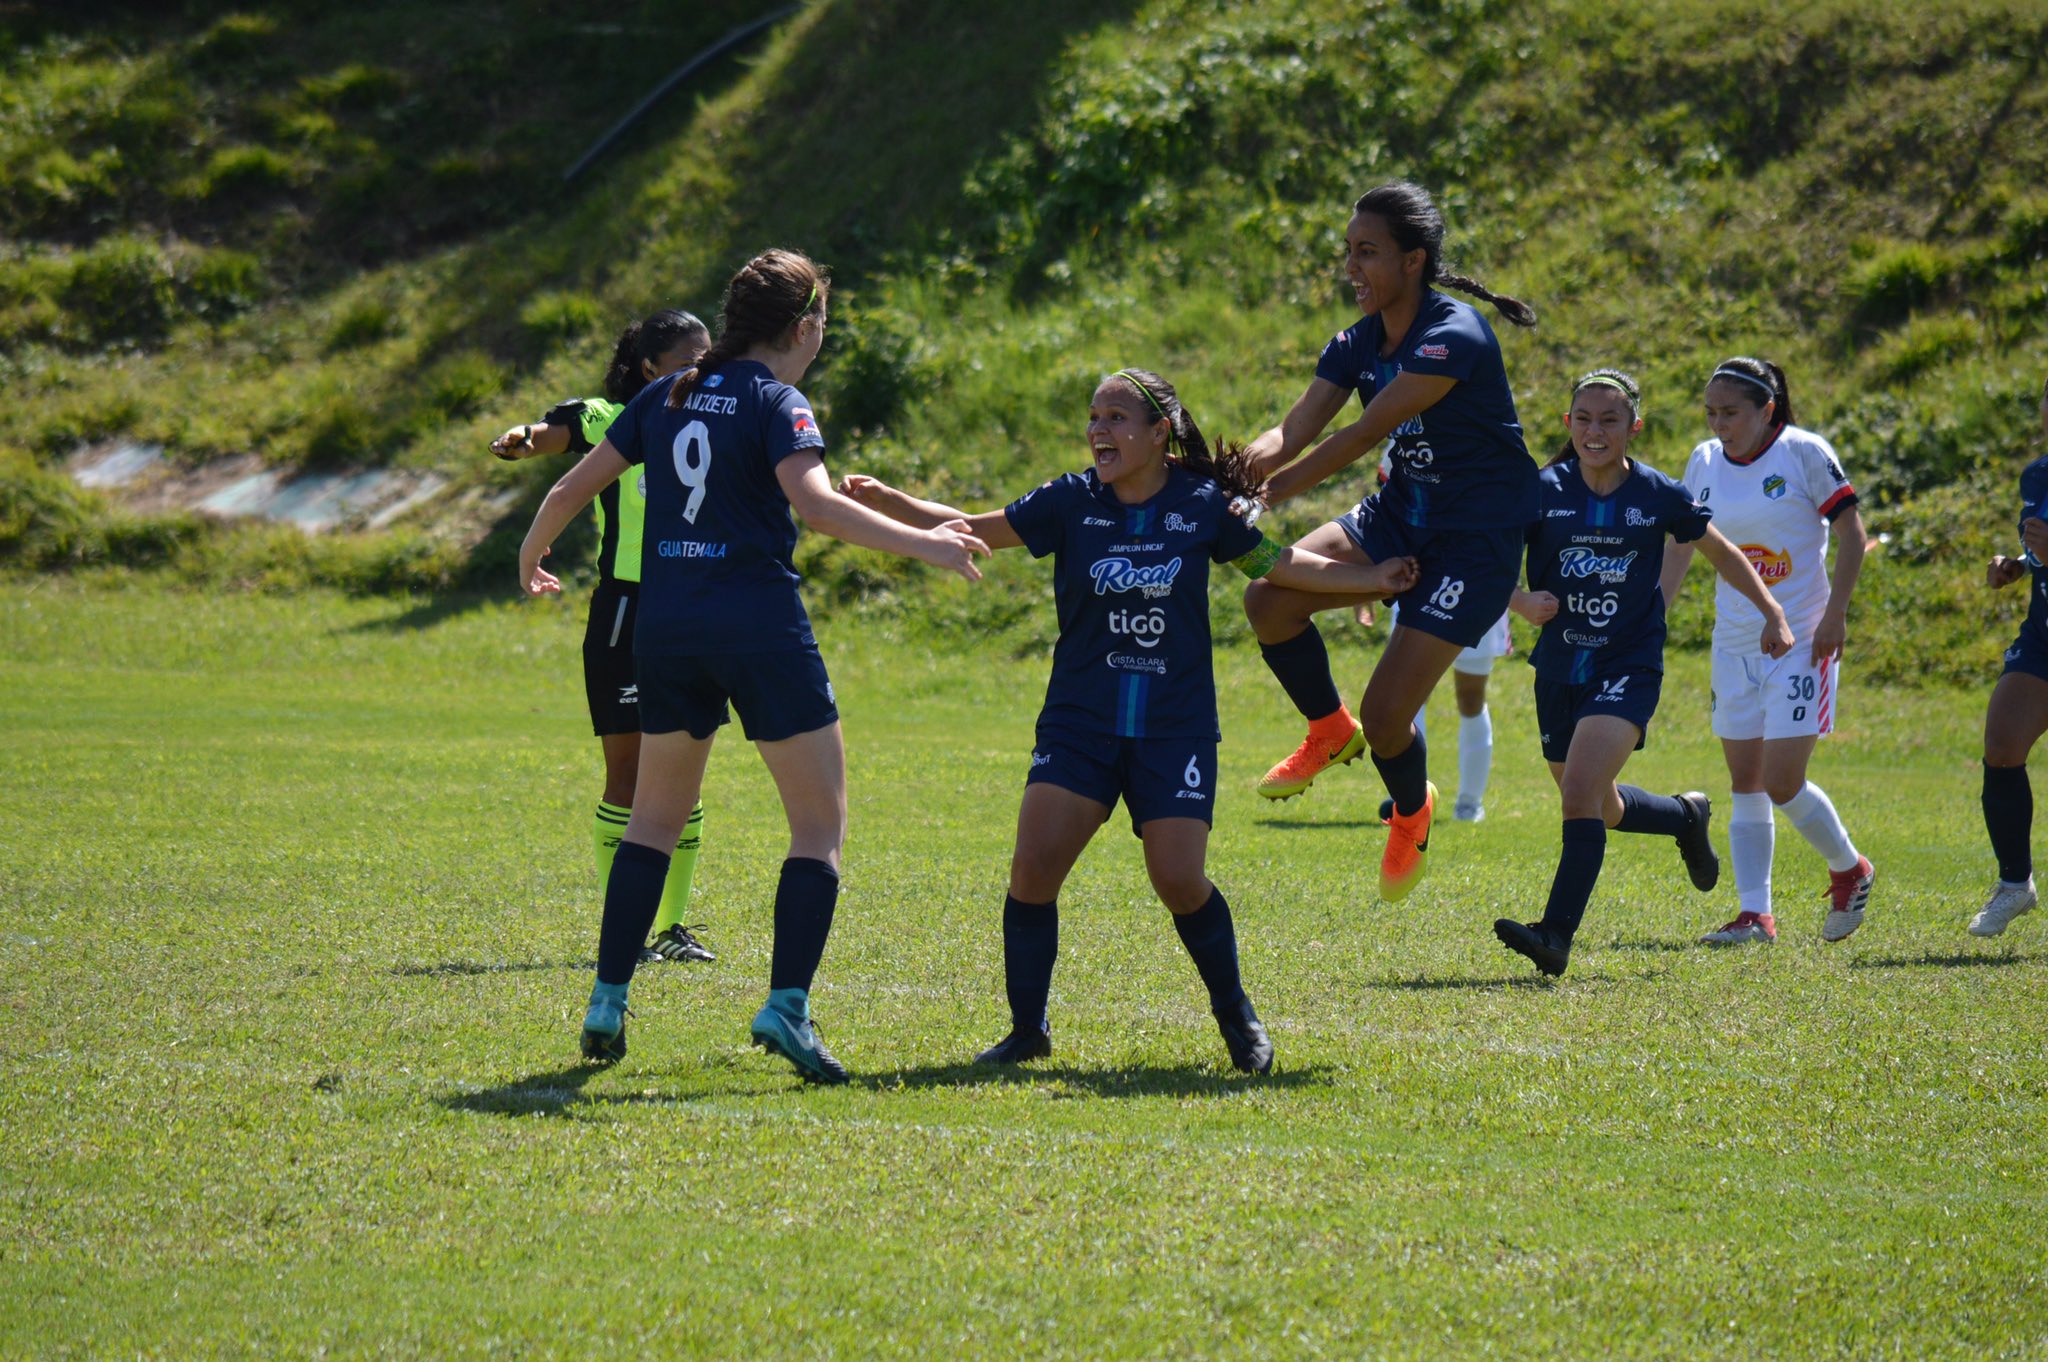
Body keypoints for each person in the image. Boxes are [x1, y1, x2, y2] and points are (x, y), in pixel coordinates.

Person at [841, 368, 1417, 1072]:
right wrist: (891, 502)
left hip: (1173, 727)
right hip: (1080, 723)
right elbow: (974, 527)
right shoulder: (1069, 500)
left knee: (1178, 880)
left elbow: (1279, 562)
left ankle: (1238, 1019)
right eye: (1093, 417)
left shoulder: (1202, 505)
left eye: (1116, 417)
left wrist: (1370, 578)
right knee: (1032, 872)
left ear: (1158, 434)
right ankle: (1028, 1032)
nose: (1098, 431)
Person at [515, 249, 989, 1081]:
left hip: (665, 627)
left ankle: (606, 997)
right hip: (759, 628)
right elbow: (815, 504)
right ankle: (787, 1008)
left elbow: (573, 486)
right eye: (823, 327)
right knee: (818, 825)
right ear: (803, 326)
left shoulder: (669, 392)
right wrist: (928, 543)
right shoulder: (779, 399)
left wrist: (532, 552)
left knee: (653, 821)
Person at [1239, 180, 1538, 901]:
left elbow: (1363, 432)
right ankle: (1326, 730)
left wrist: (1267, 495)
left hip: (1475, 542)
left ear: (1414, 260)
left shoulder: (1455, 333)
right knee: (1269, 601)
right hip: (1400, 512)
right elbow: (1293, 430)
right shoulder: (1356, 341)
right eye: (1348, 251)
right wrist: (1230, 472)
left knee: (1388, 717)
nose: (1352, 268)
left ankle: (1412, 812)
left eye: (1367, 253)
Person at [1493, 370, 1792, 976]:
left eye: (1608, 420)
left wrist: (1773, 611)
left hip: (1628, 664)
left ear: (1634, 427)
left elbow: (1723, 553)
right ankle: (1685, 817)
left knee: (1577, 794)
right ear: (1567, 424)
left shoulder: (1659, 494)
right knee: (1597, 804)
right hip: (1557, 666)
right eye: (1583, 419)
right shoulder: (1538, 489)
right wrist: (1520, 601)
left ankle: (1554, 934)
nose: (1594, 431)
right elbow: (1482, 562)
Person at [490, 310, 718, 965]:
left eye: (707, 357)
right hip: (625, 612)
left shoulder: (714, 418)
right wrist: (522, 439)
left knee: (684, 778)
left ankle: (673, 929)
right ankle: (626, 931)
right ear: (649, 369)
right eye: (685, 361)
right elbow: (553, 434)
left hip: (693, 609)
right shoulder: (610, 417)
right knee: (628, 772)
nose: (700, 371)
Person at [1658, 356, 1873, 945]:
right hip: (1732, 643)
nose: (1719, 424)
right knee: (1745, 780)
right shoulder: (1703, 461)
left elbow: (1853, 534)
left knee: (1782, 780)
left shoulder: (1803, 452)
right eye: (1711, 412)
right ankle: (1756, 914)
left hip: (1801, 638)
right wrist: (1655, 614)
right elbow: (1682, 545)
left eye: (1731, 412)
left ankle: (1850, 868)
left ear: (1767, 410)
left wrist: (1835, 616)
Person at [1972, 376, 2048, 937]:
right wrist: (2019, 565)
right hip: (2042, 638)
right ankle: (2014, 883)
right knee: (2001, 746)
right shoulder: (2038, 474)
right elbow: (2037, 545)